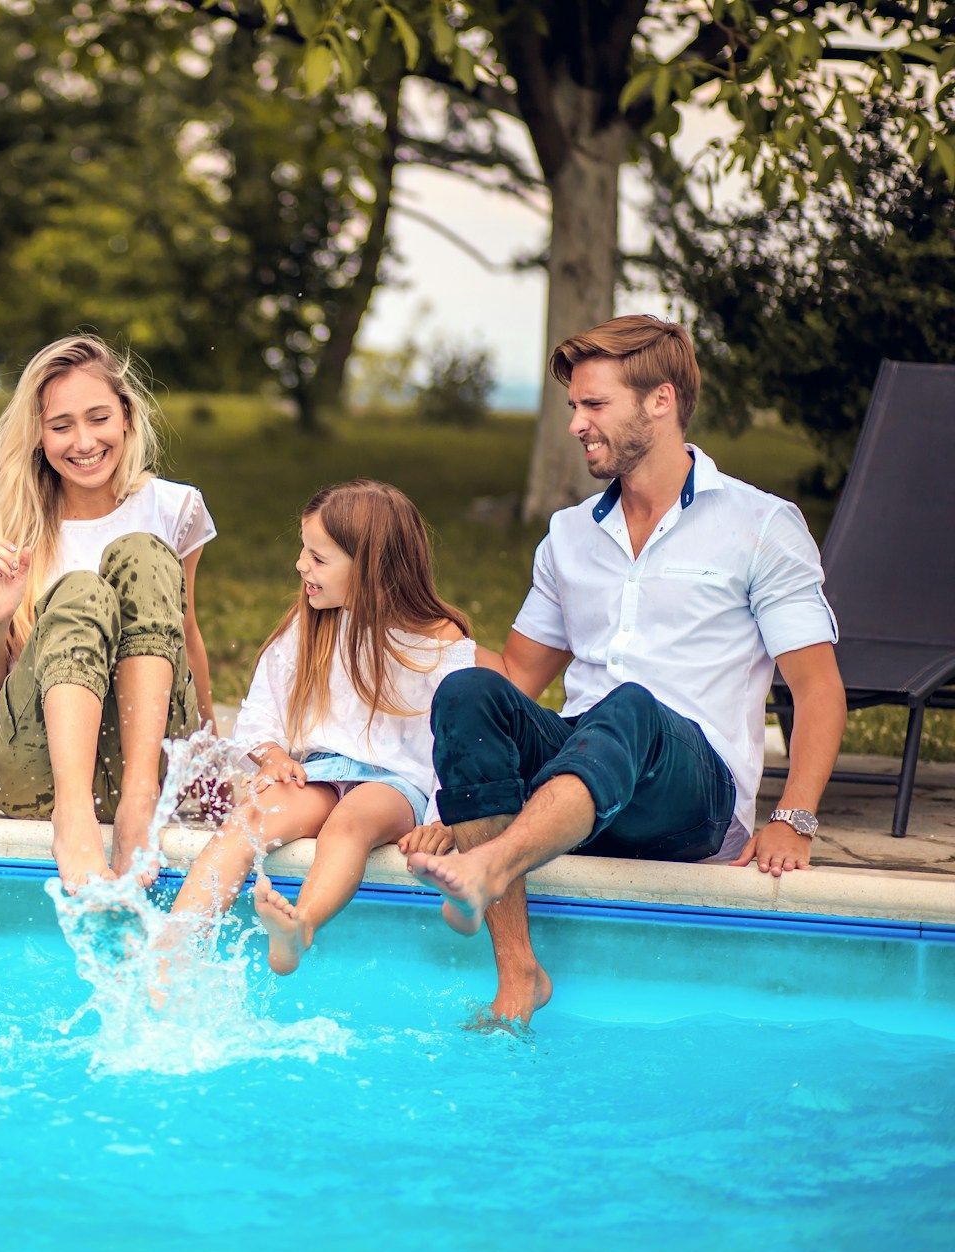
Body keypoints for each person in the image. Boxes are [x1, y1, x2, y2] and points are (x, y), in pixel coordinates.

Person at [406, 315, 847, 1026]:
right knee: (467, 691)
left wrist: (794, 820)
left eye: (595, 405)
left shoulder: (762, 525)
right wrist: (407, 621)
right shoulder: (570, 535)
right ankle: (518, 974)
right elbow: (517, 673)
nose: (577, 424)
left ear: (661, 402)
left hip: (693, 797)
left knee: (630, 705)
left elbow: (818, 688)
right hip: (579, 781)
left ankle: (491, 865)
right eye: (573, 406)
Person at [165, 480, 481, 973]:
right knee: (249, 819)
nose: (300, 566)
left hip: (397, 782)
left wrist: (443, 817)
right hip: (320, 770)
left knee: (349, 824)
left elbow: (456, 741)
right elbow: (260, 709)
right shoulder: (313, 621)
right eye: (303, 551)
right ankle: (173, 949)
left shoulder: (440, 642)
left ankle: (302, 925)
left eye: (317, 558)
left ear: (372, 567)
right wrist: (272, 755)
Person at [0, 335, 215, 888]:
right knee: (79, 591)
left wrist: (213, 758)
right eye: (61, 425)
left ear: (125, 416)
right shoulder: (6, 525)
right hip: (32, 773)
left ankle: (138, 808)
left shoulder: (173, 508)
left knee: (143, 555)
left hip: (140, 764)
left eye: (98, 418)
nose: (84, 441)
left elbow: (186, 640)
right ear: (37, 435)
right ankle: (72, 819)